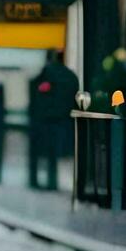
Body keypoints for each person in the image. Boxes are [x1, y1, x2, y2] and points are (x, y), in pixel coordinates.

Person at [27, 51, 79, 190]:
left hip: (42, 119)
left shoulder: (46, 74)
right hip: (62, 120)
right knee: (53, 154)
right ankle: (52, 182)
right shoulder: (70, 76)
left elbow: (33, 87)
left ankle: (34, 181)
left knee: (37, 153)